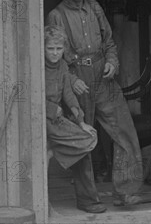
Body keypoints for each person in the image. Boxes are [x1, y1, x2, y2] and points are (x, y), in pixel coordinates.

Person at [47, 0, 143, 213]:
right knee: (83, 138)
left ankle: (127, 191)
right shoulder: (57, 15)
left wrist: (112, 60)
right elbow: (55, 55)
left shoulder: (95, 7)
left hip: (104, 76)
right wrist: (71, 79)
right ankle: (89, 200)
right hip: (78, 79)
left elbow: (109, 41)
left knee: (124, 129)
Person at [43, 25, 101, 212]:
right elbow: (32, 96)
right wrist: (52, 109)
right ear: (43, 48)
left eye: (59, 49)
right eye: (50, 48)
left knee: (88, 137)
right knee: (79, 144)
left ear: (64, 50)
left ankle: (88, 200)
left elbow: (68, 94)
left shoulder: (62, 66)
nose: (54, 53)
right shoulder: (37, 66)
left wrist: (80, 121)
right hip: (42, 119)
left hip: (57, 120)